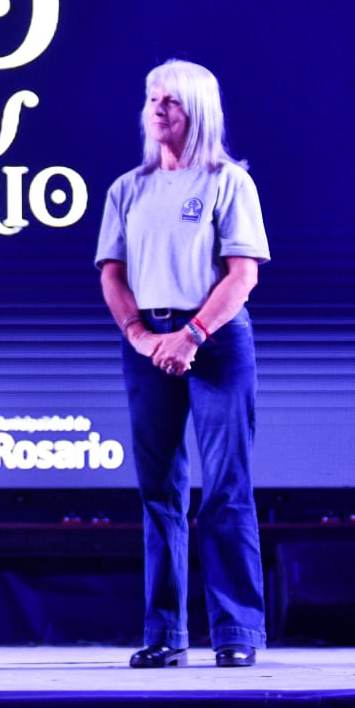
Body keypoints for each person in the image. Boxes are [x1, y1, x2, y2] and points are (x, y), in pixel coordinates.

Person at [96, 59, 270, 669]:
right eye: (152, 98)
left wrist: (192, 334)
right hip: (148, 343)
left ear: (198, 109)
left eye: (170, 100)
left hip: (216, 341)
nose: (157, 109)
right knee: (159, 491)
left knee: (226, 487)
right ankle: (166, 632)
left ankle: (236, 631)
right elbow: (112, 274)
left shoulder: (229, 182)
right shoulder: (127, 188)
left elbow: (242, 275)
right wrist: (141, 335)